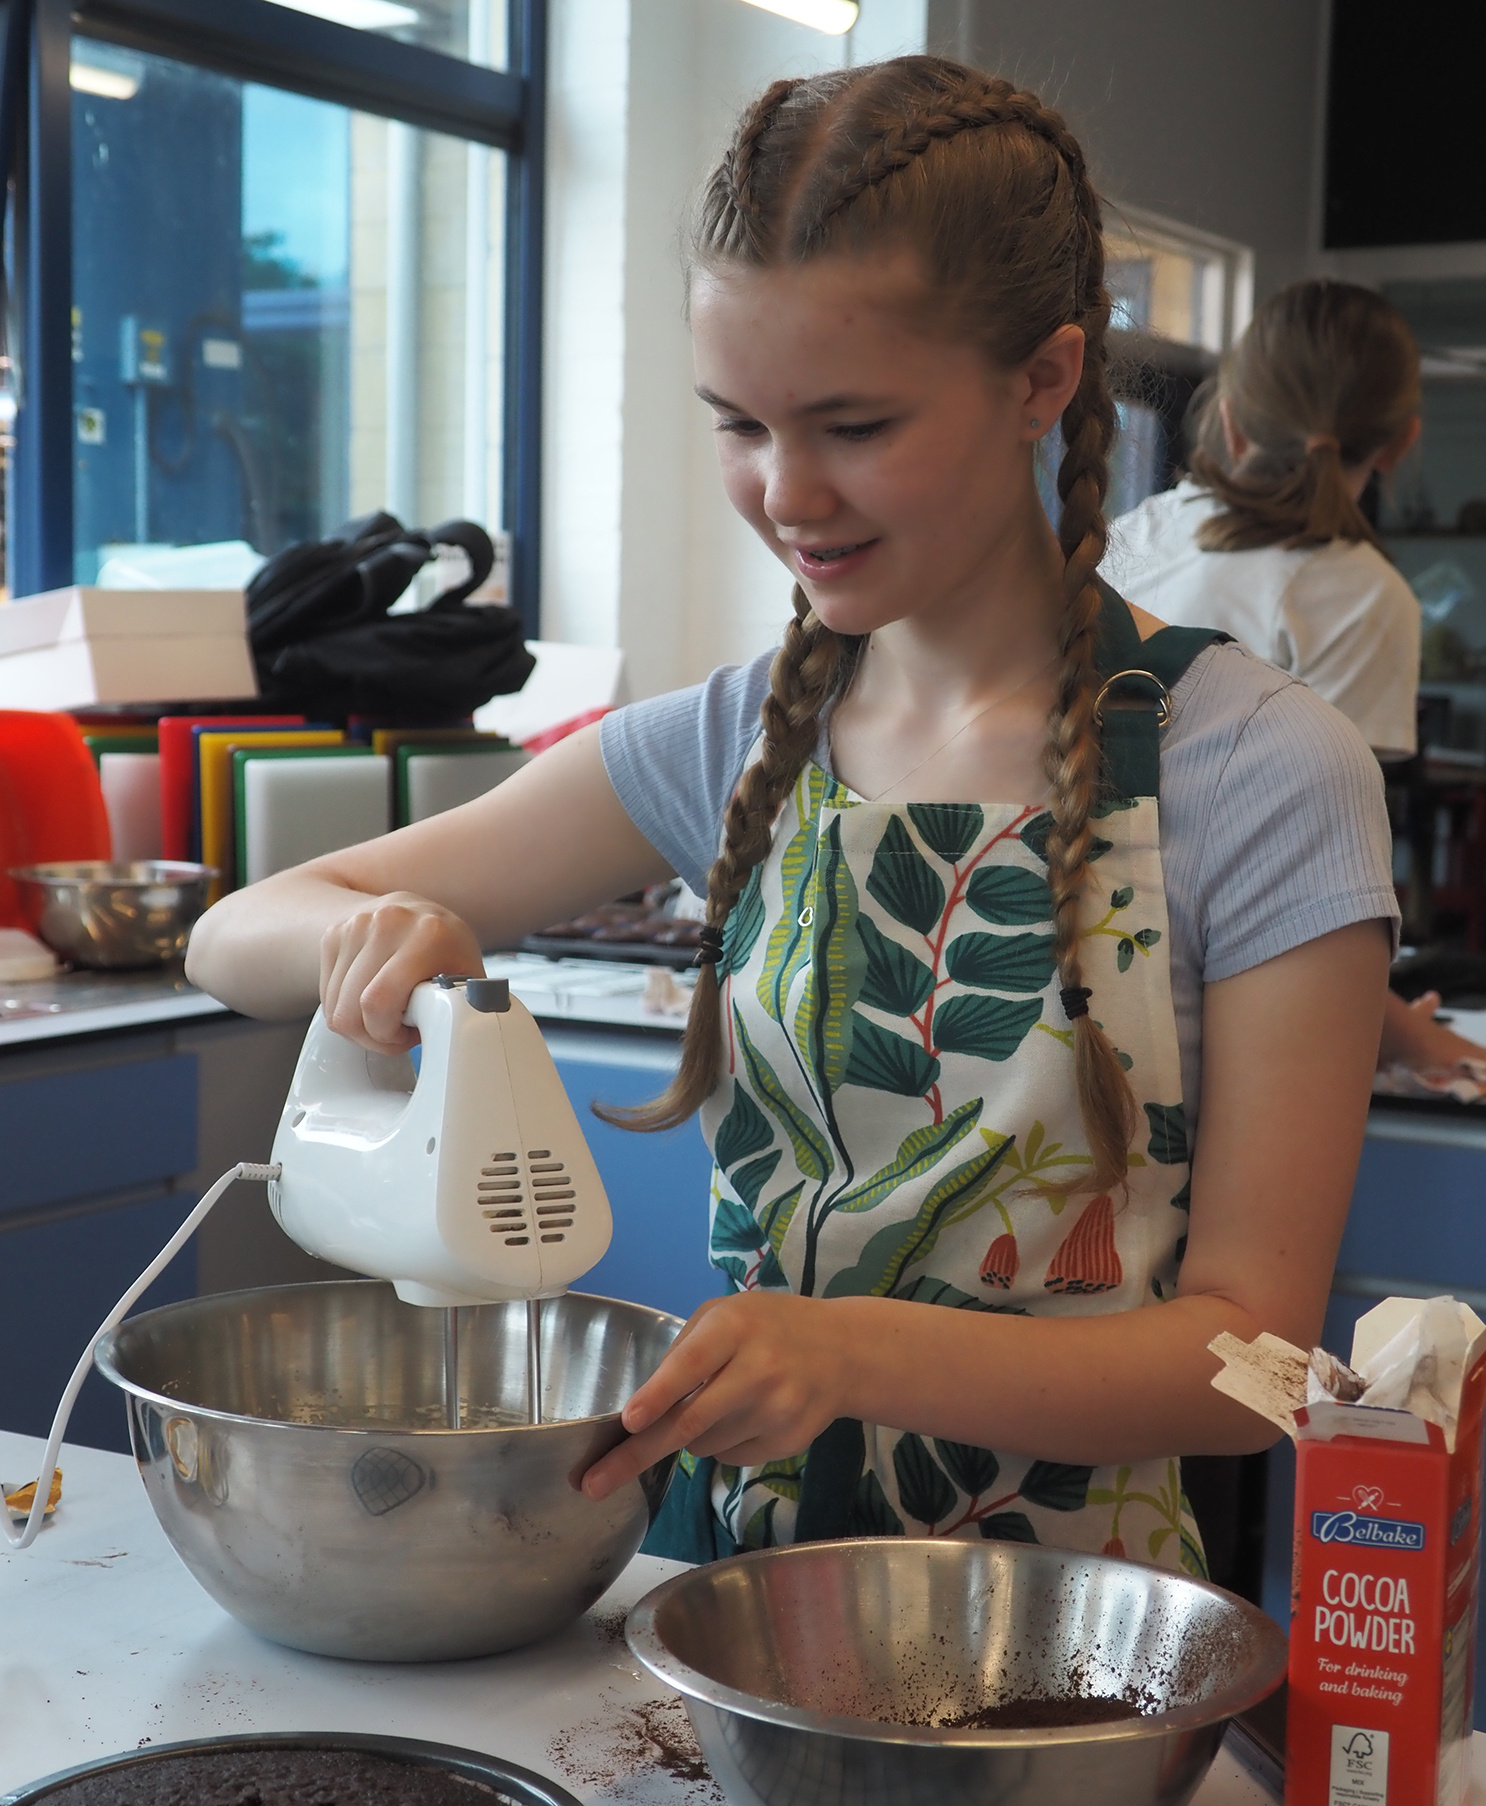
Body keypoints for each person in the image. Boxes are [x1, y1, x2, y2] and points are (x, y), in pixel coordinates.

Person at [187, 57, 1396, 1573]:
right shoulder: (734, 738)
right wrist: (378, 935)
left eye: (852, 424)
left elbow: (1259, 1365)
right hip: (716, 1616)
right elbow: (233, 935)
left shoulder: (1263, 770)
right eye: (738, 424)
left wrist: (853, 1353)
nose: (783, 493)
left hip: (1076, 1658)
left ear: (1045, 377)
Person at [1103, 281, 1486, 1081]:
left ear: (1234, 418)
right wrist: (1413, 1039)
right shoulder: (1360, 593)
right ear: (1402, 441)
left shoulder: (1133, 535)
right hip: (1222, 996)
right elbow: (1316, 885)